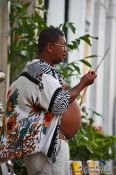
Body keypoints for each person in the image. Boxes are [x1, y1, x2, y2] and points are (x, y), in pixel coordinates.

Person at [0, 26, 97, 175]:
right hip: (48, 152)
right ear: (50, 47)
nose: (66, 50)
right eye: (63, 45)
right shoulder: (41, 72)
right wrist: (83, 83)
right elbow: (58, 104)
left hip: (41, 149)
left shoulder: (33, 71)